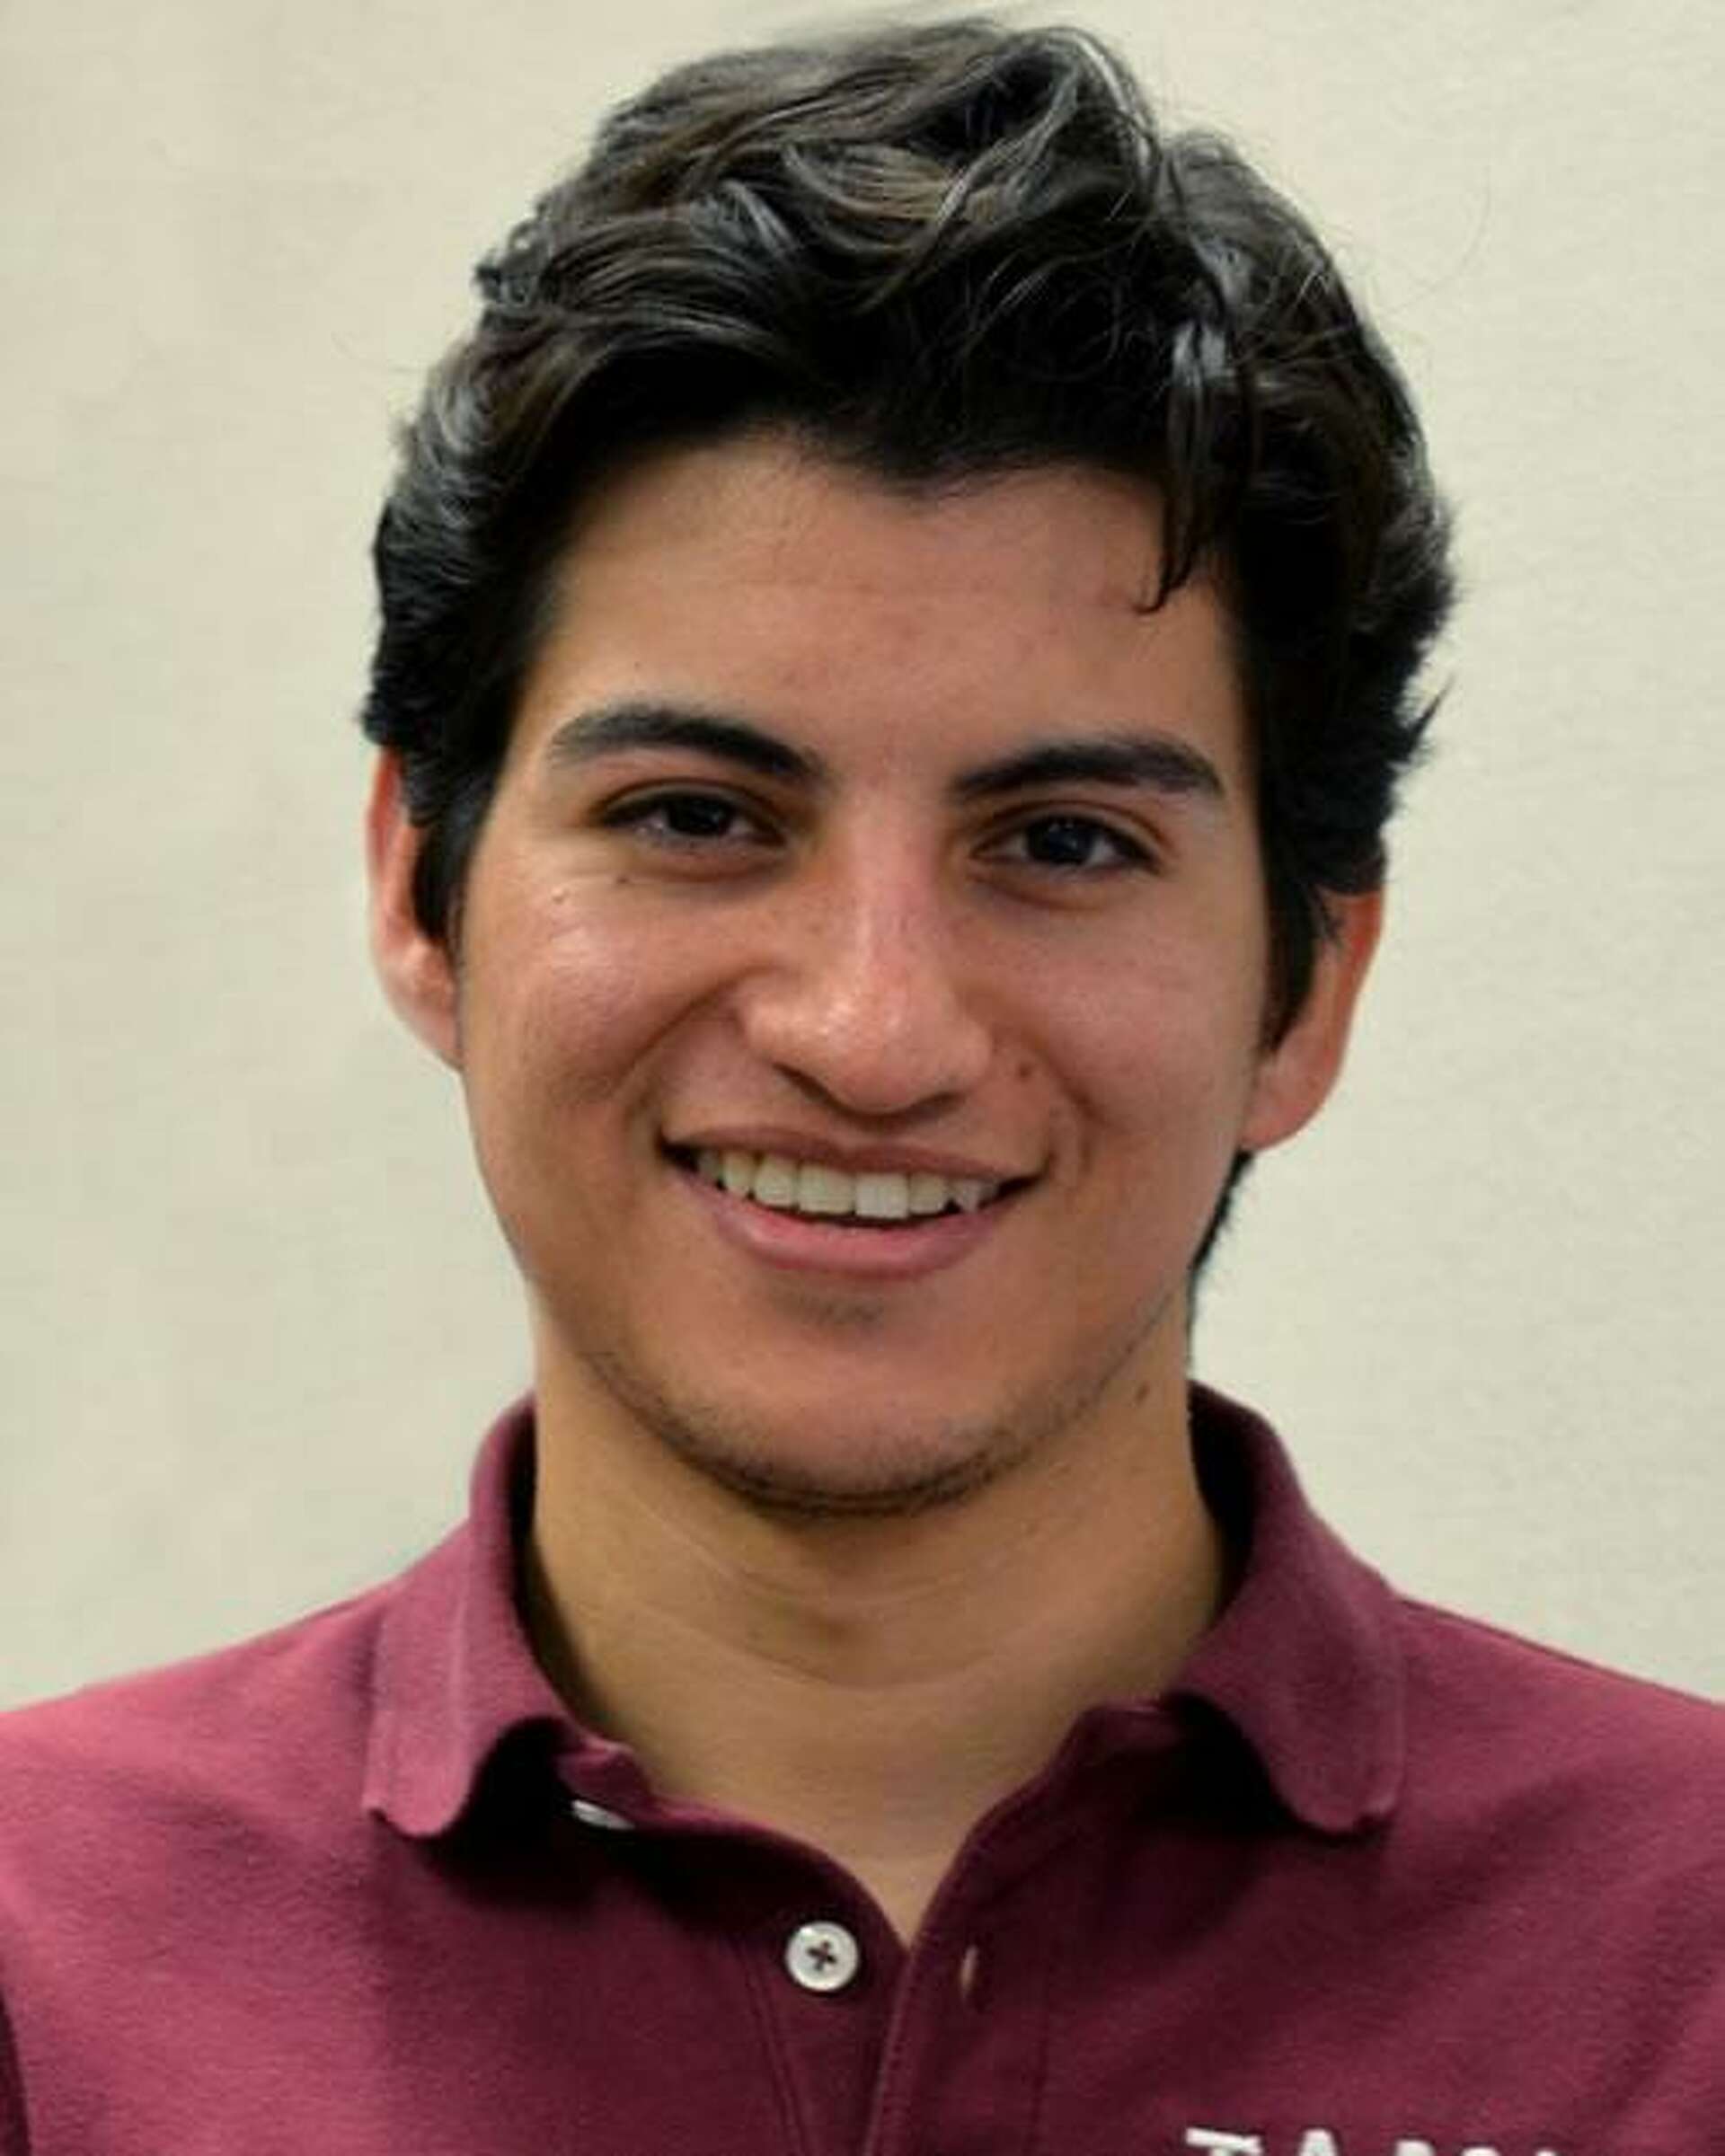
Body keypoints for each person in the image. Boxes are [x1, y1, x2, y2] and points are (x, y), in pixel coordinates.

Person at [1, 18, 1718, 2152]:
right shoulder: (40, 1958)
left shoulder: (1692, 1960)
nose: (872, 1031)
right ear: (418, 890)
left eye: (1064, 843)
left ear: (1307, 989)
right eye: (697, 817)